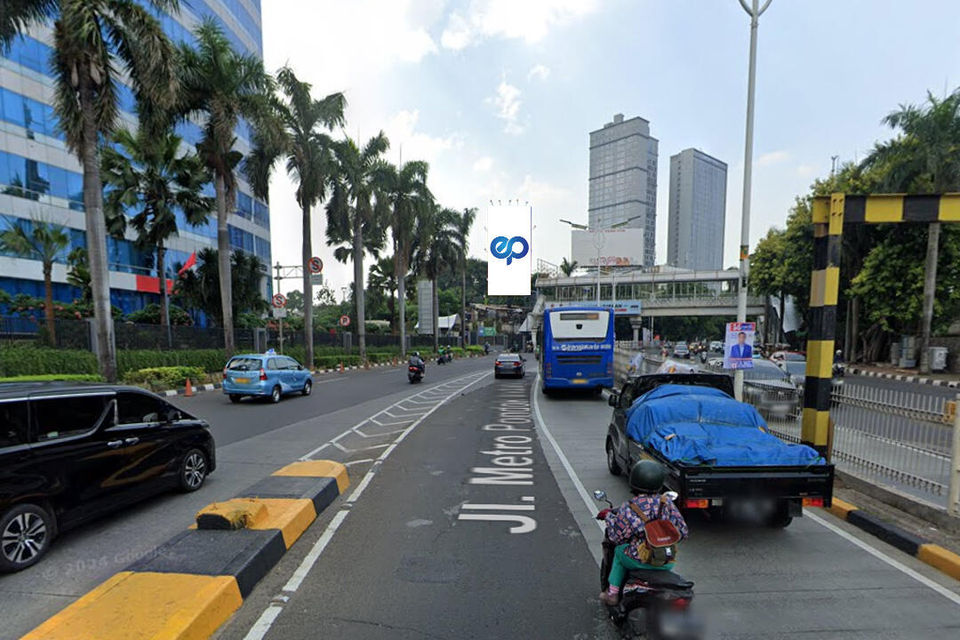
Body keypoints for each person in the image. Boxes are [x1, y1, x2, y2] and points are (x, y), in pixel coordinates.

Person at [597, 460, 689, 606]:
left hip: (638, 559)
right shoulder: (666, 503)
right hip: (665, 561)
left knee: (619, 552)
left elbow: (616, 536)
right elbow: (683, 532)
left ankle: (613, 594)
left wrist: (608, 517)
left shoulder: (630, 507)